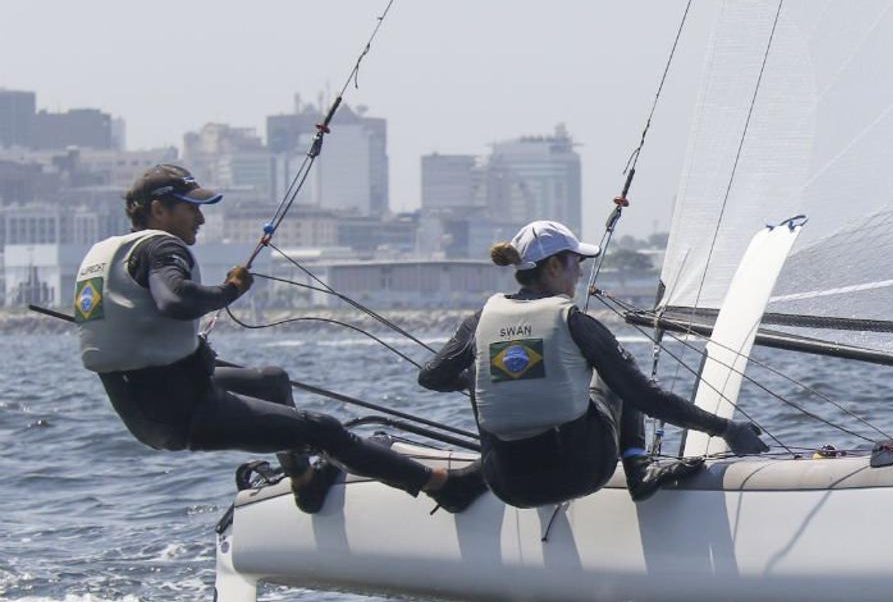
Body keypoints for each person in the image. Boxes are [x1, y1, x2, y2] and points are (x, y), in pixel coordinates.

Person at [74, 164, 488, 515]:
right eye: (191, 209)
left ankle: (305, 483)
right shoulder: (161, 247)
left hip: (150, 405)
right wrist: (230, 290)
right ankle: (444, 487)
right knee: (324, 429)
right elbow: (176, 300)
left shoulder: (104, 253)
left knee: (271, 381)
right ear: (158, 209)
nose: (200, 219)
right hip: (185, 411)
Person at [417, 219, 768, 508]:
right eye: (576, 263)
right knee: (619, 371)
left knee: (483, 370)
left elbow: (432, 377)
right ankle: (639, 471)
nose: (579, 274)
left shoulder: (480, 321)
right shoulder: (573, 321)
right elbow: (644, 397)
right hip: (580, 472)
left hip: (508, 486)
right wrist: (725, 429)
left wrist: (480, 382)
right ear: (554, 266)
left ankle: (491, 478)